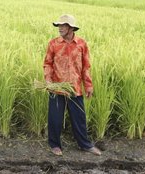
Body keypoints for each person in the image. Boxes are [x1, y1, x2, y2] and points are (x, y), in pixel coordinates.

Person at [43, 14, 101, 156]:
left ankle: (85, 145)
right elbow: (47, 64)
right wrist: (48, 81)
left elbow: (85, 66)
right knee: (55, 119)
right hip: (57, 88)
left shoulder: (81, 44)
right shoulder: (53, 44)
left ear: (70, 28)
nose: (60, 28)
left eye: (63, 25)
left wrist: (88, 85)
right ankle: (55, 145)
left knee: (79, 119)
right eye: (59, 25)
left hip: (75, 89)